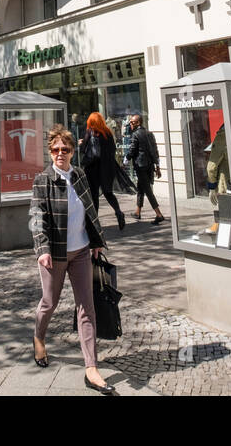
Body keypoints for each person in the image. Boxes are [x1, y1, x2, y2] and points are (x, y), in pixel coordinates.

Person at [30, 125, 112, 394]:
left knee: (86, 307)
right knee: (49, 302)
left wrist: (97, 241)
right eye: (55, 150)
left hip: (81, 252)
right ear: (50, 152)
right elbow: (36, 218)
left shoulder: (79, 175)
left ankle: (91, 368)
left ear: (72, 151)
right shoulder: (43, 180)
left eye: (65, 149)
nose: (60, 154)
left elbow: (90, 210)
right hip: (55, 254)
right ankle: (39, 336)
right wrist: (42, 249)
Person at [79, 112, 126, 231]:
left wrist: (82, 144)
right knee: (108, 193)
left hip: (93, 169)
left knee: (94, 195)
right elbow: (112, 149)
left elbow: (89, 151)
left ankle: (95, 223)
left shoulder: (91, 132)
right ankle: (118, 212)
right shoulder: (108, 133)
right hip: (108, 167)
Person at [124, 114, 165, 225]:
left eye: (132, 122)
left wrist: (126, 159)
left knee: (147, 190)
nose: (130, 124)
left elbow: (132, 150)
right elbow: (155, 151)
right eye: (130, 122)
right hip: (149, 165)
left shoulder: (135, 134)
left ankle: (159, 214)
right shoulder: (149, 134)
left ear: (138, 123)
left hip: (140, 166)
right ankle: (138, 212)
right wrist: (157, 167)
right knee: (141, 187)